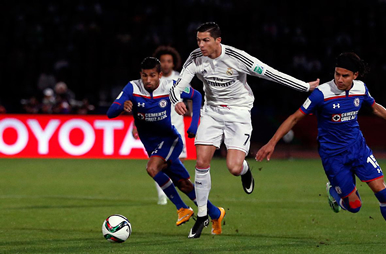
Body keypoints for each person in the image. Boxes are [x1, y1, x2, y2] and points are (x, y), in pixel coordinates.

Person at [169, 22, 320, 238]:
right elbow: (179, 85)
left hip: (238, 113)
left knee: (233, 167)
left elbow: (271, 73)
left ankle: (245, 170)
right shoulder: (195, 57)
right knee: (201, 162)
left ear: (218, 40)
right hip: (211, 112)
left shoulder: (237, 57)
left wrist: (304, 87)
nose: (200, 45)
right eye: (198, 40)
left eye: (205, 40)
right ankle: (202, 215)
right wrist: (176, 100)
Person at [256, 52, 386, 244]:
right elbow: (295, 117)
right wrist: (272, 142)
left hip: (358, 149)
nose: (339, 79)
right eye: (337, 74)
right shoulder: (322, 93)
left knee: (381, 189)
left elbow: (375, 108)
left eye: (344, 75)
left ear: (355, 75)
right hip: (333, 156)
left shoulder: (361, 89)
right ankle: (334, 192)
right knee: (355, 206)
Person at [107, 57, 225, 238]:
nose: (148, 80)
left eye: (152, 75)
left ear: (160, 75)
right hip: (153, 145)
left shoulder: (171, 85)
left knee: (152, 168)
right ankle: (216, 213)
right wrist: (122, 106)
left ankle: (182, 208)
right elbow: (110, 113)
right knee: (184, 184)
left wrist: (194, 125)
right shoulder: (132, 87)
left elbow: (196, 95)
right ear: (140, 75)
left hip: (171, 140)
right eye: (145, 76)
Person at [135, 46, 189, 205]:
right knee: (158, 162)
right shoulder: (150, 81)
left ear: (174, 64)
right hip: (156, 125)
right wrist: (135, 125)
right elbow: (140, 104)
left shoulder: (180, 78)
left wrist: (193, 118)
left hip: (177, 124)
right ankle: (162, 195)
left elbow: (190, 97)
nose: (166, 64)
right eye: (163, 61)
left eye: (169, 61)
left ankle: (173, 190)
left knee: (178, 161)